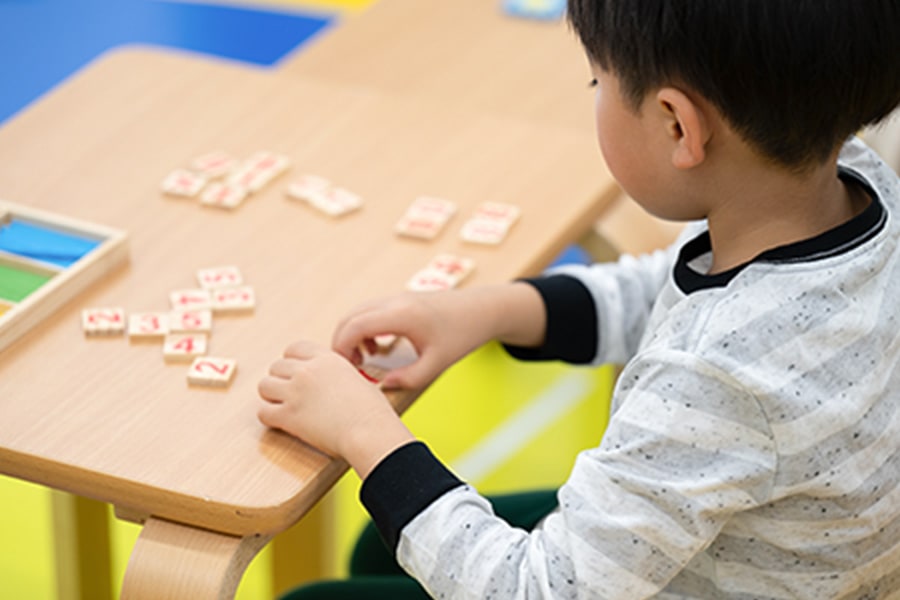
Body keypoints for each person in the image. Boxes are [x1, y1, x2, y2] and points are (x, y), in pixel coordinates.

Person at [258, 0, 900, 597]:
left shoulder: (718, 378)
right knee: (382, 549)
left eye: (600, 84)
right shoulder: (853, 187)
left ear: (679, 126)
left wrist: (365, 433)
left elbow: (534, 589)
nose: (596, 96)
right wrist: (488, 312)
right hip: (799, 559)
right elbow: (677, 288)